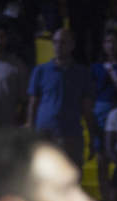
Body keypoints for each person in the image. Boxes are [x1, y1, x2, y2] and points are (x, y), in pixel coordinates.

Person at [28, 28, 97, 166]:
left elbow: (87, 108)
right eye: (56, 42)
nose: (58, 46)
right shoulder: (40, 71)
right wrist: (30, 131)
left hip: (71, 134)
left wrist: (92, 136)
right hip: (45, 134)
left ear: (72, 45)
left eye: (63, 42)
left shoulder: (82, 73)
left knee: (71, 178)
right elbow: (33, 104)